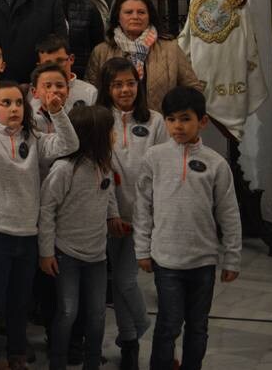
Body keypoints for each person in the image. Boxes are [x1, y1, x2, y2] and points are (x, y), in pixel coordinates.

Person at [0, 79, 77, 370]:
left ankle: (18, 353)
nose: (14, 108)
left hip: (27, 232)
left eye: (19, 103)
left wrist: (57, 112)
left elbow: (70, 144)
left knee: (20, 300)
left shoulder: (34, 139)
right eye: (5, 103)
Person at [134, 87, 241, 370]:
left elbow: (229, 213)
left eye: (185, 119)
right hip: (166, 259)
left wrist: (232, 257)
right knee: (168, 325)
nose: (177, 126)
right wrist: (142, 249)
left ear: (202, 121)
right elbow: (142, 206)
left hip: (203, 261)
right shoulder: (154, 158)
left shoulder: (216, 164)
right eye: (171, 119)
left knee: (197, 326)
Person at [38, 104, 118, 370]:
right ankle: (58, 362)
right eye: (110, 131)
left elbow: (108, 192)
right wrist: (46, 252)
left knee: (96, 315)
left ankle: (92, 363)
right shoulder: (64, 169)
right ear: (96, 135)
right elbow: (47, 210)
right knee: (68, 312)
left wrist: (114, 216)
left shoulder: (104, 164)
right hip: (66, 253)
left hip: (97, 254)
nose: (114, 135)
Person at [96, 57, 163, 370]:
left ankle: (139, 328)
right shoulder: (99, 119)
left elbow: (162, 169)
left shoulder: (155, 121)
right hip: (109, 215)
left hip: (142, 215)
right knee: (120, 282)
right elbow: (101, 168)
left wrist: (149, 214)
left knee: (124, 281)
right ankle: (130, 344)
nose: (125, 90)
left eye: (131, 83)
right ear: (107, 88)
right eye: (117, 84)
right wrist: (111, 214)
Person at [87, 0, 200, 111]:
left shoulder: (170, 48)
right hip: (113, 124)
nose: (135, 17)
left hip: (160, 125)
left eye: (141, 12)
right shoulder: (101, 51)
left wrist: (175, 117)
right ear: (118, 17)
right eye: (128, 12)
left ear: (149, 16)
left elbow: (193, 89)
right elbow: (90, 94)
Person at [35, 35, 99, 110]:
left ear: (71, 59)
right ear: (39, 66)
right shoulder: (30, 95)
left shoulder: (90, 92)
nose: (55, 67)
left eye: (60, 61)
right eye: (48, 63)